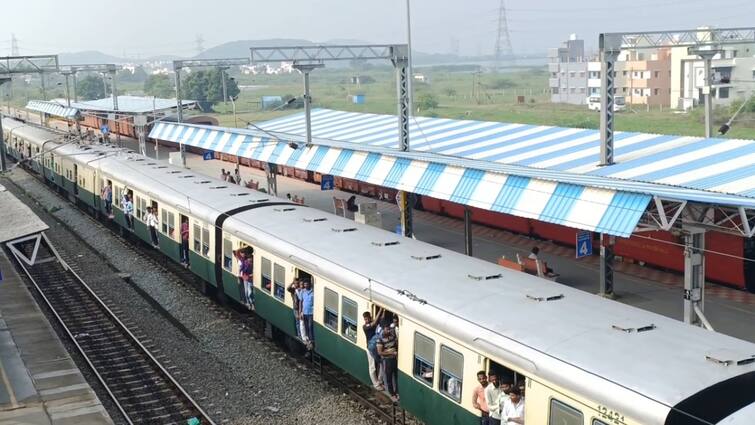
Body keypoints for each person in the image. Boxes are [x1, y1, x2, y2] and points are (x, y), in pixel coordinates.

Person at [363, 309, 385, 390]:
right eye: (365, 319)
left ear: (370, 317)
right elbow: (375, 322)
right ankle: (376, 384)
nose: (367, 320)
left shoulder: (374, 325)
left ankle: (379, 380)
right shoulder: (365, 327)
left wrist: (382, 312)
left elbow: (379, 320)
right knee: (372, 367)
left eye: (368, 318)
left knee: (382, 363)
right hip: (370, 348)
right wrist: (381, 310)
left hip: (377, 347)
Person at [376, 322, 399, 402]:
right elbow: (380, 352)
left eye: (389, 329)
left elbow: (395, 344)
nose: (389, 331)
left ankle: (397, 392)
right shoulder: (380, 339)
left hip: (394, 358)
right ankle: (392, 394)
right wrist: (391, 353)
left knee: (396, 376)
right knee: (388, 377)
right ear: (383, 329)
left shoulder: (392, 336)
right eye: (387, 329)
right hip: (387, 360)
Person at [297, 279, 314, 349]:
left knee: (310, 326)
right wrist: (300, 311)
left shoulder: (313, 293)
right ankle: (307, 338)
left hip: (311, 312)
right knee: (306, 326)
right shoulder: (302, 292)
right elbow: (301, 301)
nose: (305, 285)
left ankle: (311, 340)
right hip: (304, 312)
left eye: (307, 284)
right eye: (304, 284)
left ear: (309, 284)